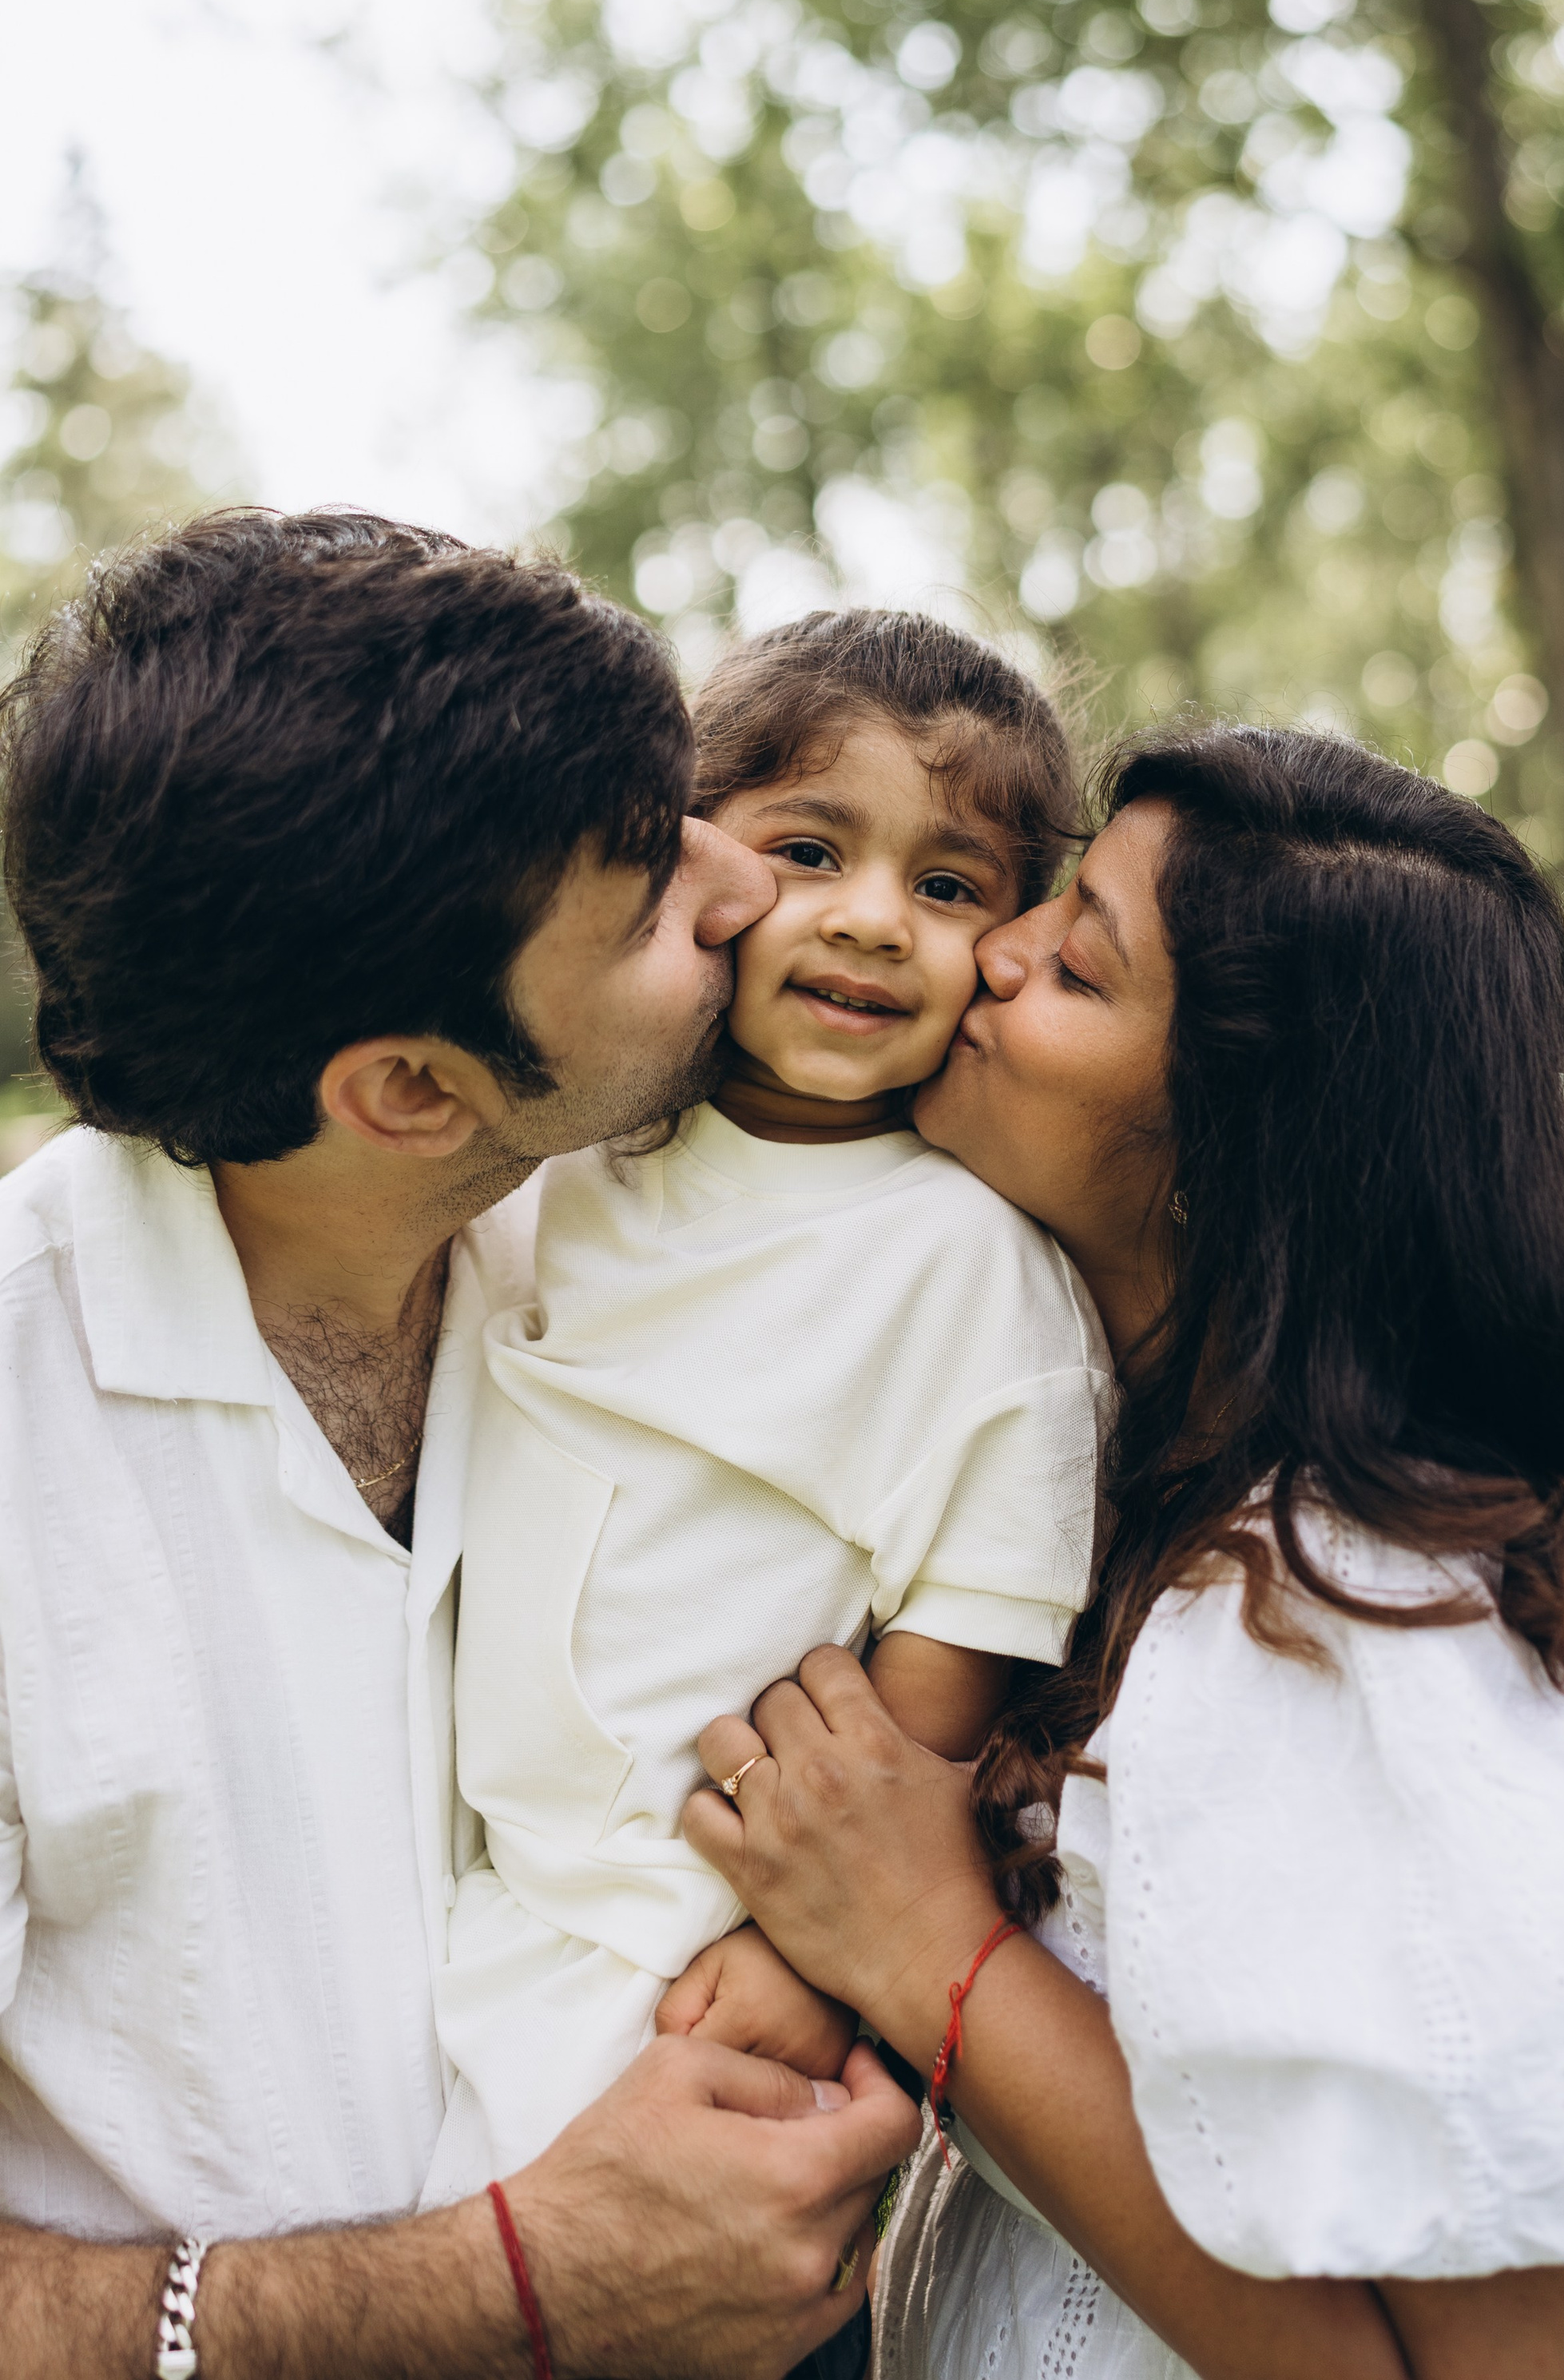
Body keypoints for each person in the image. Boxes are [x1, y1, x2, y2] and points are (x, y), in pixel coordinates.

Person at [681, 726, 1564, 2379]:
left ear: (1241, 1157)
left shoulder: (1403, 1619)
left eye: (1077, 964)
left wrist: (923, 1946)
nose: (996, 947)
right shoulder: (1110, 1435)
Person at [0, 510, 917, 2379]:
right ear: (412, 1091)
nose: (739, 881)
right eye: (652, 899)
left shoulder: (660, 1252)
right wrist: (508, 2290)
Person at [427, 610, 1113, 2195]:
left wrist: (807, 1953)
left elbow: (969, 1633)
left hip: (701, 1960)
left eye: (947, 887)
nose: (872, 921)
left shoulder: (965, 1260)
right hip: (474, 1907)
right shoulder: (563, 1165)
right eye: (809, 850)